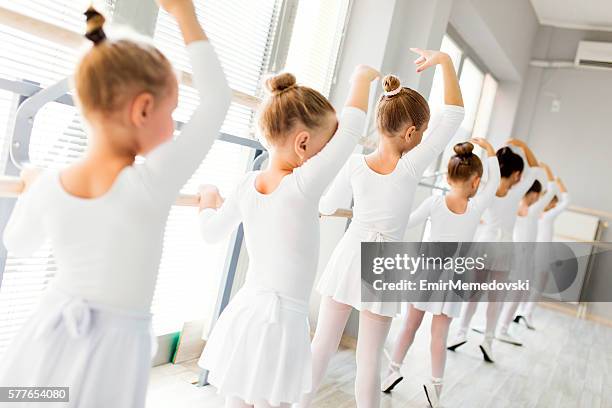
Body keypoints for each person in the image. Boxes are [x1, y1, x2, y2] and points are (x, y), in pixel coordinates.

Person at [0, 1, 232, 406]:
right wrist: (185, 16)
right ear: (143, 108)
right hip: (113, 354)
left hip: (45, 338)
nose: (174, 124)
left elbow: (19, 245)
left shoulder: (50, 186)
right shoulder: (151, 182)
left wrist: (34, 185)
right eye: (172, 112)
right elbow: (216, 101)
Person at [196, 66, 380, 408]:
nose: (328, 154)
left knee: (236, 397)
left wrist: (207, 198)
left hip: (246, 312)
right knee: (274, 400)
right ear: (304, 143)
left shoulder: (244, 186)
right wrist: (362, 79)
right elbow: (353, 127)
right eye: (325, 146)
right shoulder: (302, 185)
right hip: (281, 323)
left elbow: (210, 232)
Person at [299, 48, 465, 408]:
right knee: (369, 360)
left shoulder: (356, 165)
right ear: (410, 132)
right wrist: (446, 63)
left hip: (349, 254)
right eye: (421, 131)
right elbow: (454, 115)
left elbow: (327, 205)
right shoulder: (409, 167)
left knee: (322, 346)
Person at [382, 138, 499, 407]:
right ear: (476, 181)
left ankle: (392, 372)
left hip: (427, 271)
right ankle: (436, 389)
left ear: (447, 176)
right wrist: (491, 152)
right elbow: (494, 184)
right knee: (439, 335)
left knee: (410, 326)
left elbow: (405, 222)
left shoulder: (435, 203)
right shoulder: (476, 207)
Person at [448, 139, 545, 362]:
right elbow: (537, 168)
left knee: (473, 294)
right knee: (496, 298)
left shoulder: (488, 186)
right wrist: (522, 144)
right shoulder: (517, 189)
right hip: (504, 249)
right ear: (516, 173)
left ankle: (461, 332)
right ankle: (488, 340)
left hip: (484, 245)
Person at [496, 163, 557, 344]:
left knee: (505, 293)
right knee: (516, 294)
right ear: (534, 195)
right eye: (537, 195)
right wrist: (547, 169)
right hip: (523, 259)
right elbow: (553, 189)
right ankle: (502, 329)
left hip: (512, 254)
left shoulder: (513, 206)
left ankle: (496, 326)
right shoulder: (532, 211)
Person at [515, 177, 570, 329]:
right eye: (554, 202)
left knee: (528, 282)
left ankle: (521, 310)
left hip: (532, 251)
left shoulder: (533, 213)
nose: (555, 205)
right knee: (539, 283)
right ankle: (527, 312)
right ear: (549, 203)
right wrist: (560, 183)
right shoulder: (547, 216)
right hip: (542, 252)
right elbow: (566, 202)